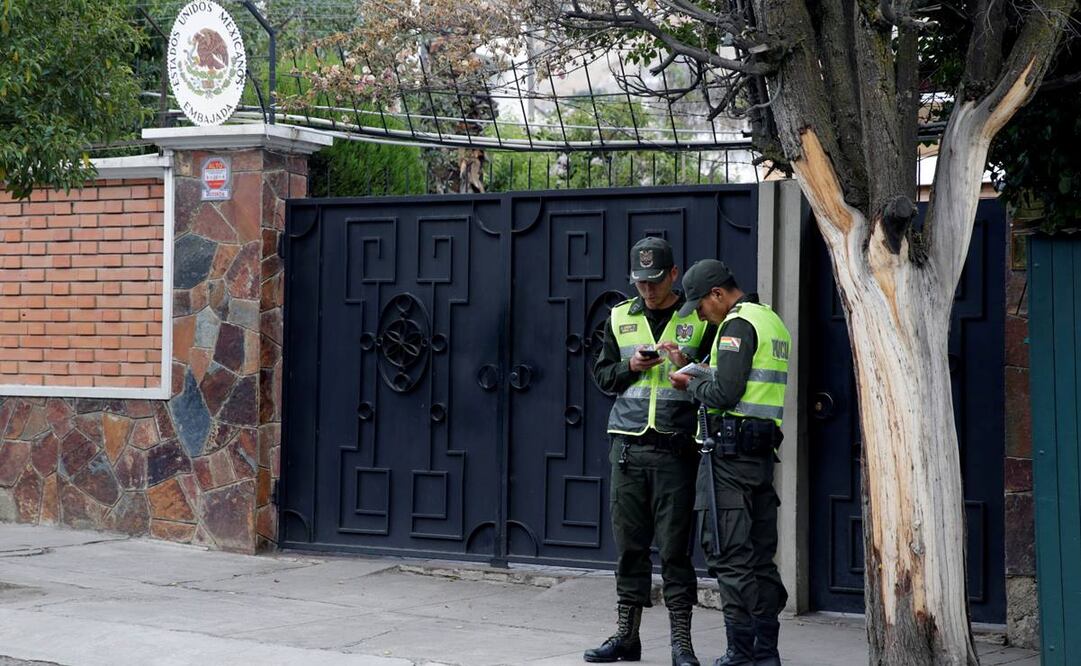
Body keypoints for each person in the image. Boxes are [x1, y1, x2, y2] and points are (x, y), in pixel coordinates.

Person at [586, 237, 717, 666]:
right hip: (627, 449)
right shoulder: (619, 316)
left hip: (676, 451)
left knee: (676, 552)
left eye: (656, 281)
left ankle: (681, 644)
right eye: (641, 282)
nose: (648, 290)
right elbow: (603, 376)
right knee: (630, 549)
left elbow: (718, 379)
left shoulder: (698, 316)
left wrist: (685, 365)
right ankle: (627, 637)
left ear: (673, 275)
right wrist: (629, 367)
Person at [668, 260, 790, 666]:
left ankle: (741, 652)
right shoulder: (768, 318)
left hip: (729, 458)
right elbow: (743, 381)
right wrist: (698, 369)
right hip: (758, 456)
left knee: (729, 555)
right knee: (759, 557)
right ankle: (766, 652)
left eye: (702, 306)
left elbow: (724, 394)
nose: (701, 315)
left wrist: (690, 383)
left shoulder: (736, 325)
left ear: (718, 294)